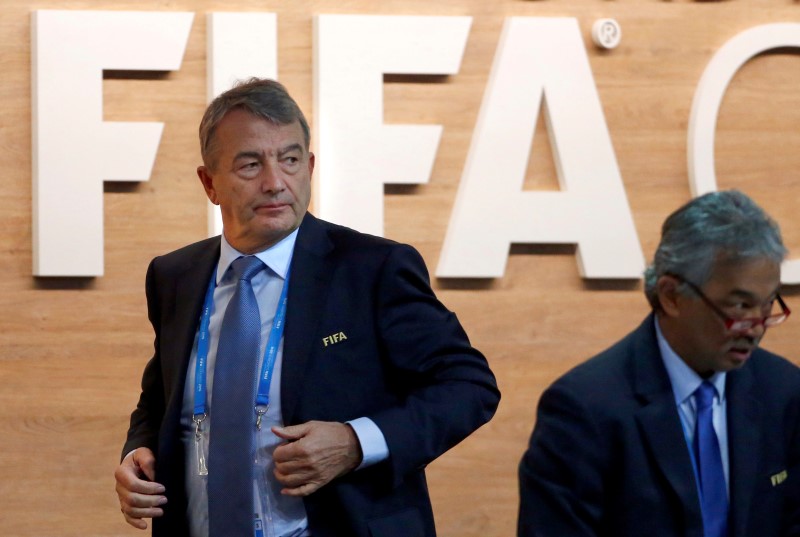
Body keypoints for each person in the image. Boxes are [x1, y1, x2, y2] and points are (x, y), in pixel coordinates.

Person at [114, 78, 500, 537]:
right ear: (209, 182)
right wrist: (137, 452)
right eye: (250, 164)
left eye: (291, 160)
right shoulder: (174, 276)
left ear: (310, 167)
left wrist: (357, 442)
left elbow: (468, 386)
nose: (276, 183)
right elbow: (161, 397)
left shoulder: (373, 269)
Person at [518, 190, 800, 537]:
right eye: (740, 307)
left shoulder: (784, 391)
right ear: (671, 295)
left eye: (767, 305)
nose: (757, 328)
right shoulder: (584, 409)